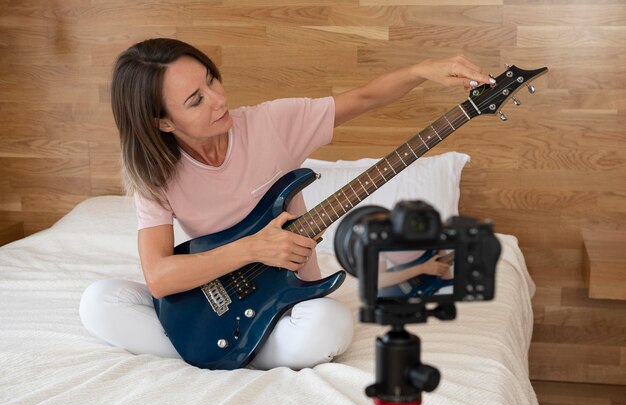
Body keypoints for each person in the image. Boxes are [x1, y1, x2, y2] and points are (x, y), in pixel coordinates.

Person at [79, 38, 494, 370]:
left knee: (329, 327)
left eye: (211, 80)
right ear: (163, 123)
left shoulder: (271, 125)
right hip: (215, 299)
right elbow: (160, 278)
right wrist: (252, 248)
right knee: (98, 302)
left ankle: (217, 351)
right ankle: (228, 352)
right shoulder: (155, 173)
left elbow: (364, 99)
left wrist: (422, 70)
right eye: (196, 100)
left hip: (287, 298)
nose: (218, 99)